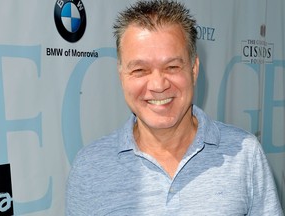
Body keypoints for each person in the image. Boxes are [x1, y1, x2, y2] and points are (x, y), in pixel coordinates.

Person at [66, 0, 284, 215]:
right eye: (140, 70)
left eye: (171, 67)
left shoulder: (245, 154)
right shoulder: (89, 167)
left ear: (194, 69)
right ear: (121, 75)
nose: (158, 85)